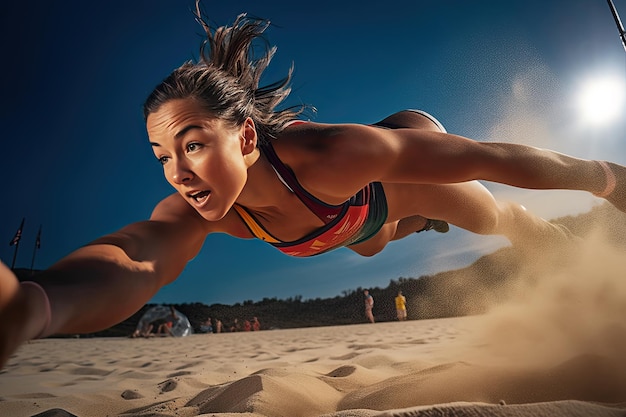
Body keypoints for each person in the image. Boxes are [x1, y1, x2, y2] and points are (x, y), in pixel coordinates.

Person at [1, 6, 625, 370]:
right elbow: (139, 255)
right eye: (162, 155)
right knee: (373, 246)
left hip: (399, 179)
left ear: (245, 138)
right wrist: (40, 301)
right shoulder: (200, 208)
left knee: (490, 218)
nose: (179, 172)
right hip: (355, 231)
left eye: (193, 144)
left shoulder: (330, 155)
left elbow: (491, 157)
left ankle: (542, 238)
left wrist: (604, 179)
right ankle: (410, 227)